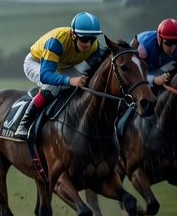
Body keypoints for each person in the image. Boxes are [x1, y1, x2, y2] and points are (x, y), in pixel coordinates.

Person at [10, 11, 105, 141]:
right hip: (37, 63)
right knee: (51, 88)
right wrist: (70, 80)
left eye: (93, 39)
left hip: (62, 65)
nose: (88, 44)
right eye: (84, 39)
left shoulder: (94, 47)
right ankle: (23, 124)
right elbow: (46, 75)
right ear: (73, 35)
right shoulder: (56, 42)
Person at [135, 18, 177, 91]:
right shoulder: (143, 48)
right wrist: (154, 80)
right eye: (168, 43)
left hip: (154, 69)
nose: (172, 48)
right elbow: (133, 74)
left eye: (176, 43)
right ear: (159, 39)